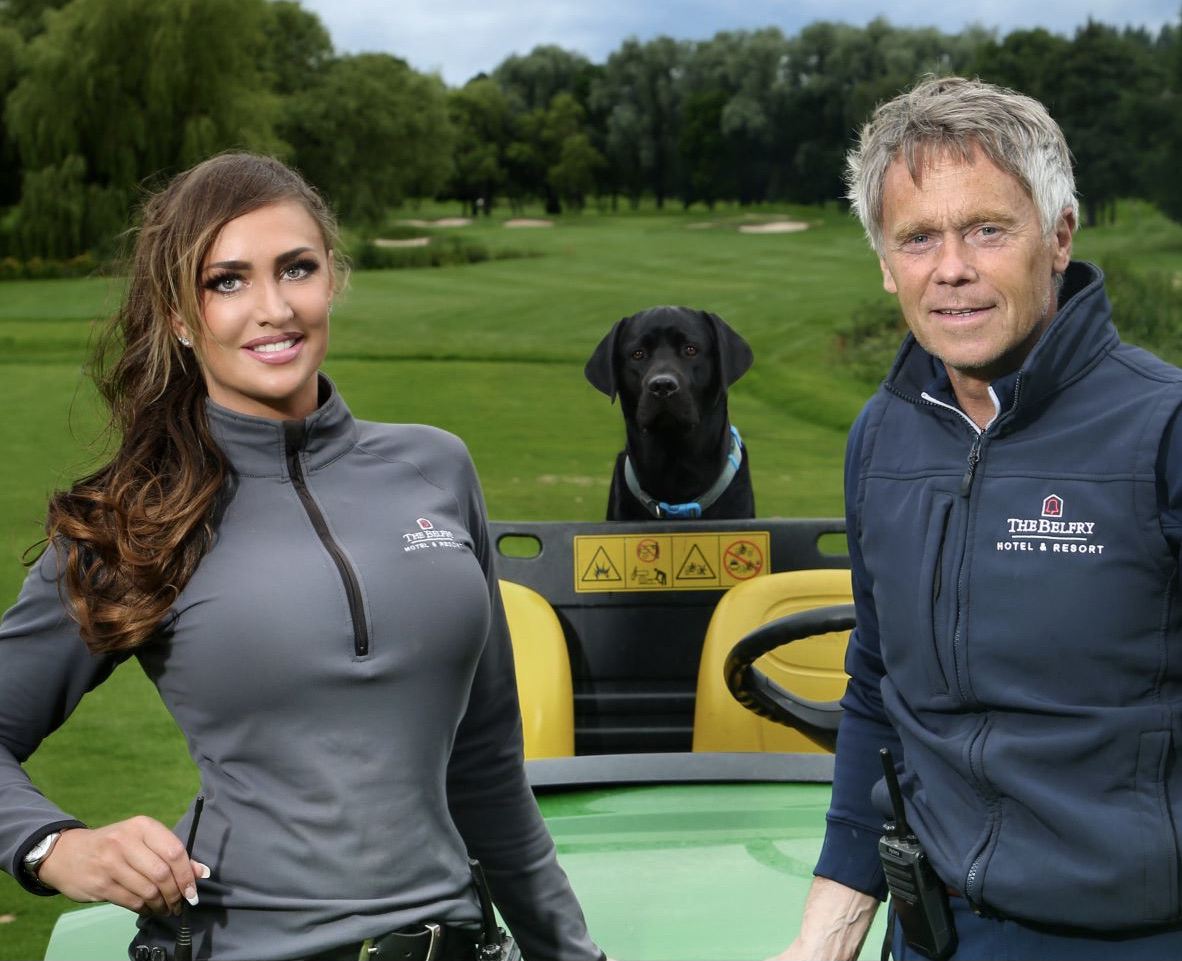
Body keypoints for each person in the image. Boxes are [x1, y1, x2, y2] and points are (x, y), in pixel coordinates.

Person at [0, 152, 606, 961]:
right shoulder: (132, 517)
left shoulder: (436, 468)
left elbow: (488, 766)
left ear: (333, 280)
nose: (273, 308)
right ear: (181, 316)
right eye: (227, 281)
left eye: (296, 268)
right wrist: (54, 847)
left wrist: (573, 955)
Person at [777, 75, 1182, 960]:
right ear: (886, 262)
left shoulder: (1164, 429)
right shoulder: (881, 436)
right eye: (917, 237)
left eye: (987, 229)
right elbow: (880, 694)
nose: (950, 268)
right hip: (930, 935)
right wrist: (826, 937)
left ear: (1060, 234)